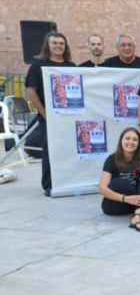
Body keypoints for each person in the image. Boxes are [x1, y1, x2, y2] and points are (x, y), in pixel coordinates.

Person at [24, 31, 76, 196]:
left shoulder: (71, 67)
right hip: (49, 118)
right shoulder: (38, 66)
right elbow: (31, 91)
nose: (58, 46)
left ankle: (67, 180)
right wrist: (45, 113)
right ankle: (49, 184)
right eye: (55, 43)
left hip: (69, 117)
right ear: (48, 45)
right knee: (50, 150)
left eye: (61, 43)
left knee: (68, 149)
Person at [99, 128, 140, 232]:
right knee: (117, 182)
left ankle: (137, 216)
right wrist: (125, 198)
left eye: (135, 140)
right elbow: (102, 189)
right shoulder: (112, 159)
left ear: (139, 143)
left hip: (136, 203)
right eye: (127, 138)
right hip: (116, 205)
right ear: (121, 141)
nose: (131, 142)